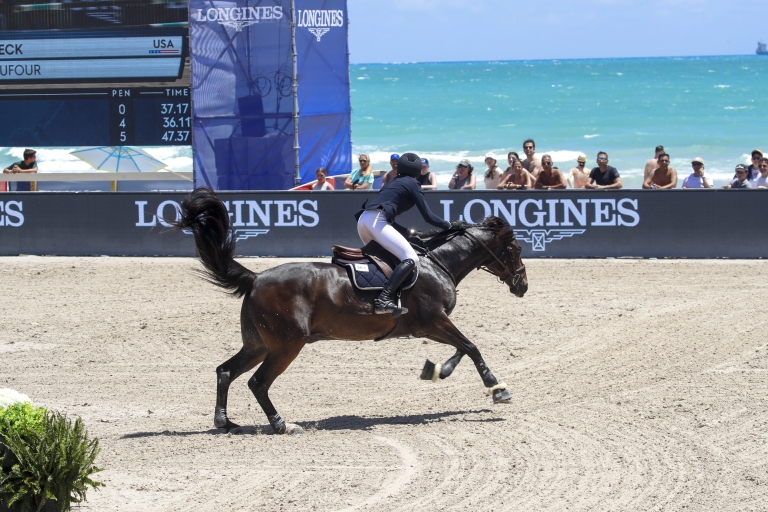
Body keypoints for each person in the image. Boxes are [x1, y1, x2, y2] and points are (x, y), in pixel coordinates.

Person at [356, 153, 451, 316]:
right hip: (376, 221)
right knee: (411, 258)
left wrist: (408, 233)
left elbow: (388, 219)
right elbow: (428, 216)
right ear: (416, 170)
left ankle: (381, 297)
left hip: (364, 220)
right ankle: (384, 298)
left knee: (386, 260)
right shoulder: (413, 183)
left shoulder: (394, 182)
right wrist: (448, 225)